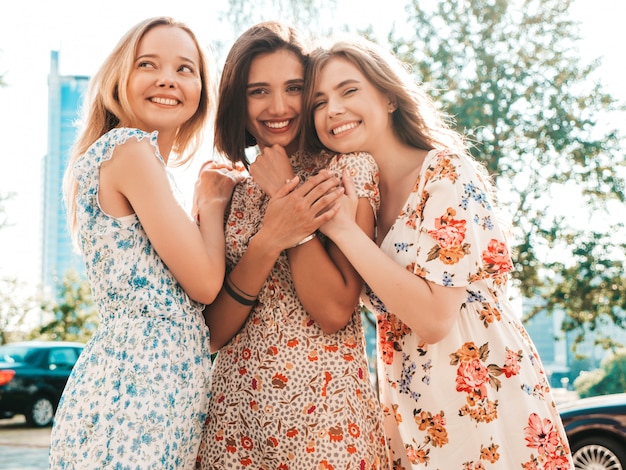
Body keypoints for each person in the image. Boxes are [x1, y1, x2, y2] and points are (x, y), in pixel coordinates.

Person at [301, 37, 574, 469]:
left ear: (388, 97)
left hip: (483, 393)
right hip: (413, 404)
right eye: (318, 101)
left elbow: (433, 318)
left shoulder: (445, 171)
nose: (332, 109)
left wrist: (343, 233)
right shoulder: (359, 195)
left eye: (348, 90)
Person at [48, 17, 243, 469]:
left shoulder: (142, 164)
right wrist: (211, 204)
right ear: (121, 77)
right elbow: (205, 284)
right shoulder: (130, 150)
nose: (166, 79)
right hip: (135, 394)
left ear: (201, 89)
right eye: (148, 64)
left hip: (152, 392)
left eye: (184, 69)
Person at [194, 21, 389, 469]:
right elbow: (211, 332)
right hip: (233, 426)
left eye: (294, 88)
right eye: (258, 91)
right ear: (237, 104)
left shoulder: (347, 172)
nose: (277, 106)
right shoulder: (227, 192)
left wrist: (286, 196)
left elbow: (335, 311)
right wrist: (268, 238)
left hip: (324, 425)